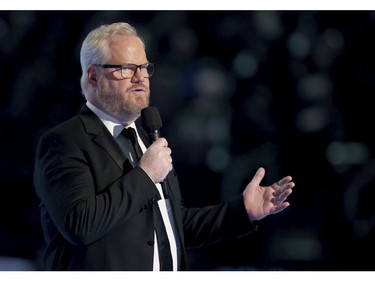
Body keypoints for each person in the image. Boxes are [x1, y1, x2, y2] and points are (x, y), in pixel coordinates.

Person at [33, 22, 295, 271]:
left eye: (144, 67)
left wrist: (242, 211)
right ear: (93, 76)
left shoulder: (146, 139)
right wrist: (145, 175)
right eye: (126, 68)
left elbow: (173, 225)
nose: (140, 78)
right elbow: (80, 224)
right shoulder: (65, 141)